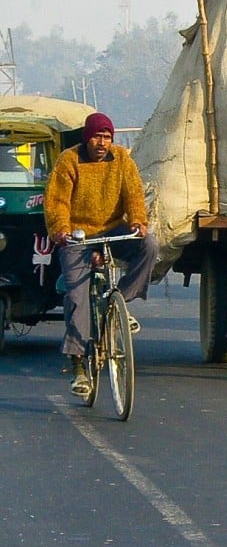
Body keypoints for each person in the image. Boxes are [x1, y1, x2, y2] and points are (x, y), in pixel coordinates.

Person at [43, 112, 158, 397]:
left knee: (150, 246)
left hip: (113, 230)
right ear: (87, 137)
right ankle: (78, 365)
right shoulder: (69, 160)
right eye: (97, 137)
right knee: (77, 298)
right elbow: (56, 201)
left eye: (106, 138)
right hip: (77, 236)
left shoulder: (121, 159)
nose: (101, 143)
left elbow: (133, 194)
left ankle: (121, 303)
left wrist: (137, 222)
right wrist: (60, 229)